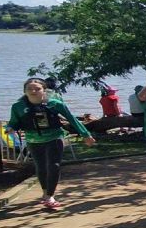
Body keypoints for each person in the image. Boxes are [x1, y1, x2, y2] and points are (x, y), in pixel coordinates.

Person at [8, 78, 96, 210]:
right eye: (29, 89)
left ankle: (50, 196)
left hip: (54, 138)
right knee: (41, 166)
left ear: (44, 90)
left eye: (37, 89)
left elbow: (72, 119)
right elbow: (14, 122)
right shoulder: (18, 106)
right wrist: (10, 128)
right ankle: (45, 192)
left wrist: (85, 134)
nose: (33, 91)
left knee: (54, 165)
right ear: (25, 91)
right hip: (33, 140)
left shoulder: (54, 104)